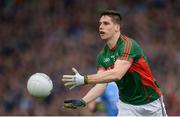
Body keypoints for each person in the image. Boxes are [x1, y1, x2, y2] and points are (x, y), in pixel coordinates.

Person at [62, 10, 167, 116]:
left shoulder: (128, 45)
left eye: (106, 23)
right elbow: (101, 85)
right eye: (100, 24)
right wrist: (83, 101)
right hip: (127, 106)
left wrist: (84, 79)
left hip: (150, 103)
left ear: (117, 27)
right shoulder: (102, 56)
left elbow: (117, 74)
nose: (101, 27)